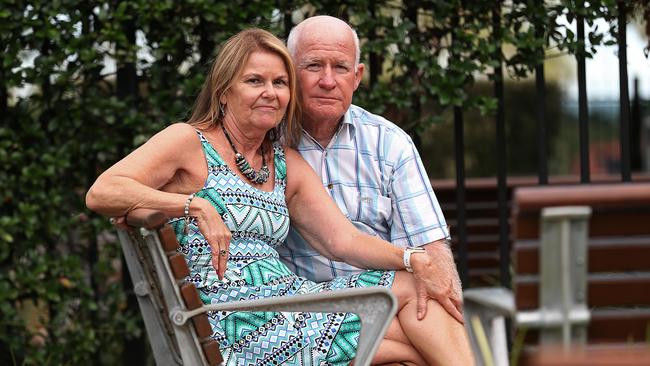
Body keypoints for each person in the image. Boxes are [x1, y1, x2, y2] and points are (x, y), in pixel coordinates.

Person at [86, 28, 472, 365]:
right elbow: (102, 191)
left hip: (292, 307)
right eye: (255, 81)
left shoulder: (284, 164)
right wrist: (192, 204)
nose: (270, 93)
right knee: (415, 330)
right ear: (224, 91)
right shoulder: (188, 141)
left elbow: (344, 241)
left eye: (279, 83)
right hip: (235, 323)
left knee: (411, 300)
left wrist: (412, 258)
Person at [280, 15, 464, 322]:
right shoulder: (264, 144)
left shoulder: (389, 144)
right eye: (314, 66)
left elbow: (431, 251)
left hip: (385, 309)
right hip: (302, 315)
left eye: (340, 67)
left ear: (357, 76)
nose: (328, 80)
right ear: (289, 70)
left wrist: (451, 308)